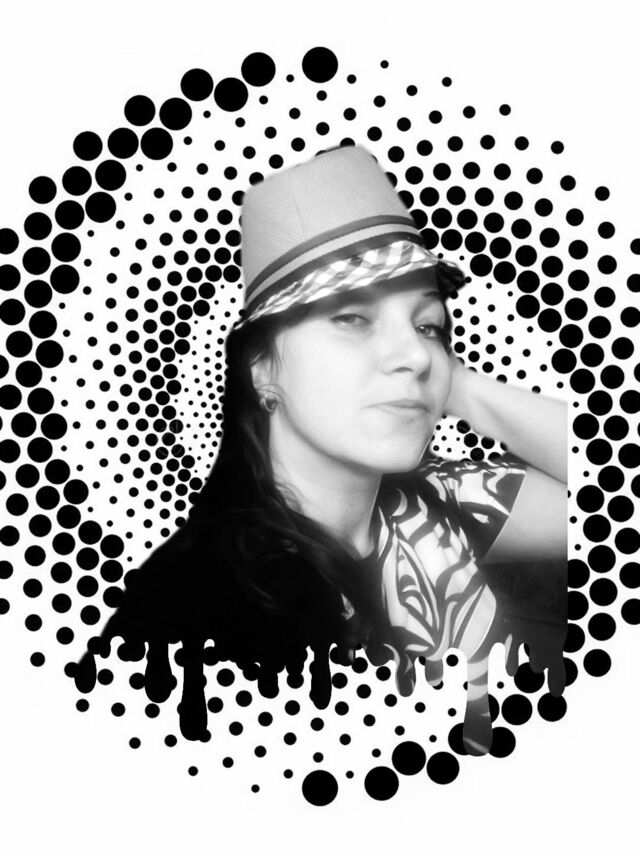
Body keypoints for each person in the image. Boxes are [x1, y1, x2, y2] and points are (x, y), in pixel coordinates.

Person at [76, 145, 567, 754]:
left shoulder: (442, 499)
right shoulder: (200, 613)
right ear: (261, 368)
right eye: (351, 318)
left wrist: (457, 387)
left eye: (429, 325)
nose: (415, 354)